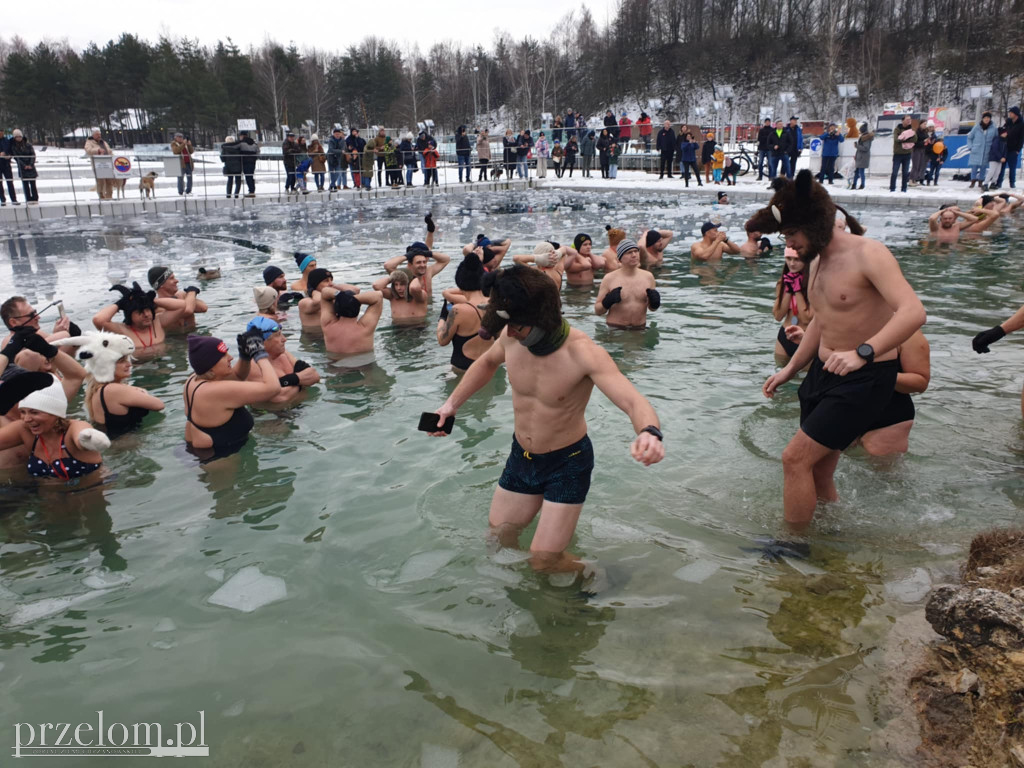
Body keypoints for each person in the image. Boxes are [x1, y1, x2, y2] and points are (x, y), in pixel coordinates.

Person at [427, 265, 664, 574]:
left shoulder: (582, 352)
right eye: (506, 325)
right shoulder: (510, 338)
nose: (509, 333)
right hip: (521, 457)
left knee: (544, 561)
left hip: (567, 463)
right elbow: (485, 363)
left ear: (541, 318)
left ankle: (603, 573)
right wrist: (450, 406)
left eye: (518, 327)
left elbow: (633, 401)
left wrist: (649, 431)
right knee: (498, 542)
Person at [754, 170, 926, 530]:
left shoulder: (869, 254)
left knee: (794, 459)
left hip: (863, 377)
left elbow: (913, 311)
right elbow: (822, 321)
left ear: (815, 223)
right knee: (817, 469)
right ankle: (832, 536)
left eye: (792, 234)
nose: (790, 244)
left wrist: (863, 352)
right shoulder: (816, 260)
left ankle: (793, 547)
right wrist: (790, 371)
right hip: (823, 373)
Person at [183, 334, 280, 458]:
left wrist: (244, 356)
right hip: (219, 457)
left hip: (200, 451)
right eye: (224, 356)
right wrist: (260, 355)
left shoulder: (193, 380)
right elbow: (273, 388)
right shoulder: (215, 391)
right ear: (210, 366)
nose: (230, 358)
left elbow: (238, 377)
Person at [0, 376, 110, 483]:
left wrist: (90, 439)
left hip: (89, 494)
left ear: (55, 413)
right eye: (23, 412)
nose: (26, 419)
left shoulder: (73, 428)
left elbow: (82, 434)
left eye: (34, 412)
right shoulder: (24, 430)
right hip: (48, 498)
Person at [59, 332, 165, 437]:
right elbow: (159, 405)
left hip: (116, 447)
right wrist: (141, 391)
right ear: (105, 365)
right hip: (127, 446)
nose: (129, 364)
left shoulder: (99, 389)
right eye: (121, 361)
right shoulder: (112, 390)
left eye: (127, 359)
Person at [437, 254, 493, 372]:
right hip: (490, 367)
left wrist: (442, 317)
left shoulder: (458, 310)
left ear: (459, 281)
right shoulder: (495, 303)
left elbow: (442, 340)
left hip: (464, 370)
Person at [243, 317, 320, 403]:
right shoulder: (252, 366)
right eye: (278, 335)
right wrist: (301, 381)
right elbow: (281, 397)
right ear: (262, 342)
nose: (284, 339)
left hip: (301, 408)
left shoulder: (283, 353)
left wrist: (284, 382)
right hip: (274, 415)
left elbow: (314, 375)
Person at [92, 282, 179, 354]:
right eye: (139, 312)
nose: (146, 314)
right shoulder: (121, 331)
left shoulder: (157, 322)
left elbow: (181, 306)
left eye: (148, 310)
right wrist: (120, 303)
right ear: (129, 315)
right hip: (136, 368)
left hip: (161, 365)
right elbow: (98, 320)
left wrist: (149, 300)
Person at [594, 240, 660, 329]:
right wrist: (607, 302)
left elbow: (652, 309)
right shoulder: (609, 278)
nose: (634, 255)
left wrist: (654, 304)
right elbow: (598, 311)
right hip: (615, 329)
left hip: (639, 329)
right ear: (620, 258)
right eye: (629, 252)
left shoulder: (648, 277)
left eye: (636, 251)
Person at [319, 285, 383, 359]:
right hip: (364, 365)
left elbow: (324, 292)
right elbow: (378, 296)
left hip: (335, 367)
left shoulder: (328, 324)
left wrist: (340, 296)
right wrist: (352, 299)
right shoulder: (365, 327)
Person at [771, 247, 813, 359]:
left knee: (804, 376)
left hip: (805, 337)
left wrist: (798, 290)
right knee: (779, 372)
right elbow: (778, 316)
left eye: (797, 259)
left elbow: (806, 319)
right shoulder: (783, 282)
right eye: (788, 259)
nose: (792, 263)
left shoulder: (814, 285)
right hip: (784, 336)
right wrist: (789, 291)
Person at [148, 266, 207, 331]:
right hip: (174, 340)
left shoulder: (181, 295)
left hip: (194, 334)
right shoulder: (158, 309)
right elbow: (188, 310)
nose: (177, 281)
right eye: (172, 278)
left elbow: (203, 307)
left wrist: (189, 295)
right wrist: (192, 292)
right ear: (161, 284)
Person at [1, 296, 73, 348]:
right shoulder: (8, 342)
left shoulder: (37, 333)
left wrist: (57, 333)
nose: (38, 317)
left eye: (35, 312)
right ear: (13, 322)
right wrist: (58, 334)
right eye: (31, 315)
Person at [996, 106, 1023, 189]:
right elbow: (1002, 129)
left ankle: (1012, 183)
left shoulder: (1021, 124)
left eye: (1011, 113)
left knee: (1012, 168)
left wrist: (1018, 149)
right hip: (1005, 148)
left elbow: (1022, 138)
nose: (1010, 114)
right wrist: (1001, 132)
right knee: (1002, 167)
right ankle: (999, 183)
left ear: (1016, 114)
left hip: (1014, 149)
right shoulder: (1008, 121)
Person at [967, 112, 995, 189]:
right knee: (974, 167)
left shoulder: (993, 128)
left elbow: (996, 139)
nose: (986, 119)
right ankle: (972, 181)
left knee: (984, 167)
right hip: (976, 149)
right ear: (982, 119)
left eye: (988, 118)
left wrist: (993, 148)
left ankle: (981, 181)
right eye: (985, 118)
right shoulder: (977, 127)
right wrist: (970, 147)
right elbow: (970, 137)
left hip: (987, 150)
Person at [84, 127, 114, 200]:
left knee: (109, 181)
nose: (99, 136)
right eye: (97, 134)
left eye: (99, 134)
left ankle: (109, 195)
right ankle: (101, 195)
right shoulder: (89, 142)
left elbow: (109, 151)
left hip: (108, 164)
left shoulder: (103, 142)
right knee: (100, 181)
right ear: (93, 135)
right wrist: (97, 150)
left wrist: (113, 157)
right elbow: (88, 150)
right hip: (98, 166)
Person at [10, 131, 38, 204]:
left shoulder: (28, 145)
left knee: (33, 184)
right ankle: (28, 199)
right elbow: (16, 157)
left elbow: (32, 155)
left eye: (20, 136)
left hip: (31, 166)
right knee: (25, 185)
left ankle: (35, 198)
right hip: (22, 167)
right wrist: (24, 165)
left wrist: (30, 164)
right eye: (17, 137)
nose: (19, 138)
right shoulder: (14, 147)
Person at [890, 114, 914, 193]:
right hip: (898, 154)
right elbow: (896, 139)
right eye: (907, 119)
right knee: (894, 172)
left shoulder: (912, 129)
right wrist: (906, 136)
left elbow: (915, 139)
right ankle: (892, 188)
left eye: (910, 119)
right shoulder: (898, 129)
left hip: (907, 154)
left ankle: (904, 189)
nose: (909, 121)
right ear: (903, 120)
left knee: (905, 172)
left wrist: (906, 139)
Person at [237, 130, 259, 197]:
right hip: (252, 162)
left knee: (248, 177)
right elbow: (258, 152)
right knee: (251, 176)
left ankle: (251, 191)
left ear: (242, 136)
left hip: (245, 162)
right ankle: (252, 190)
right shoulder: (254, 143)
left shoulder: (241, 143)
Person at [852, 123, 873, 190]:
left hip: (862, 157)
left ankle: (861, 185)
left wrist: (857, 146)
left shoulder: (865, 138)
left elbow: (866, 148)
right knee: (857, 171)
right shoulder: (865, 137)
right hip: (860, 157)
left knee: (861, 171)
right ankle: (854, 184)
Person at [0, 128, 19, 205]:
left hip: (6, 164)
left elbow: (11, 150)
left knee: (10, 182)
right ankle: (2, 200)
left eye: (1, 132)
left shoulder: (7, 141)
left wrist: (9, 155)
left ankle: (14, 199)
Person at [327, 127, 349, 191]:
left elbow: (343, 149)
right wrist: (339, 151)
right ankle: (333, 185)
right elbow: (331, 149)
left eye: (338, 134)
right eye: (336, 134)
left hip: (338, 158)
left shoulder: (342, 141)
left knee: (338, 172)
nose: (337, 135)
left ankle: (332, 185)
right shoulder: (330, 140)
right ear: (333, 134)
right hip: (330, 158)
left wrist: (338, 151)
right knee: (331, 173)